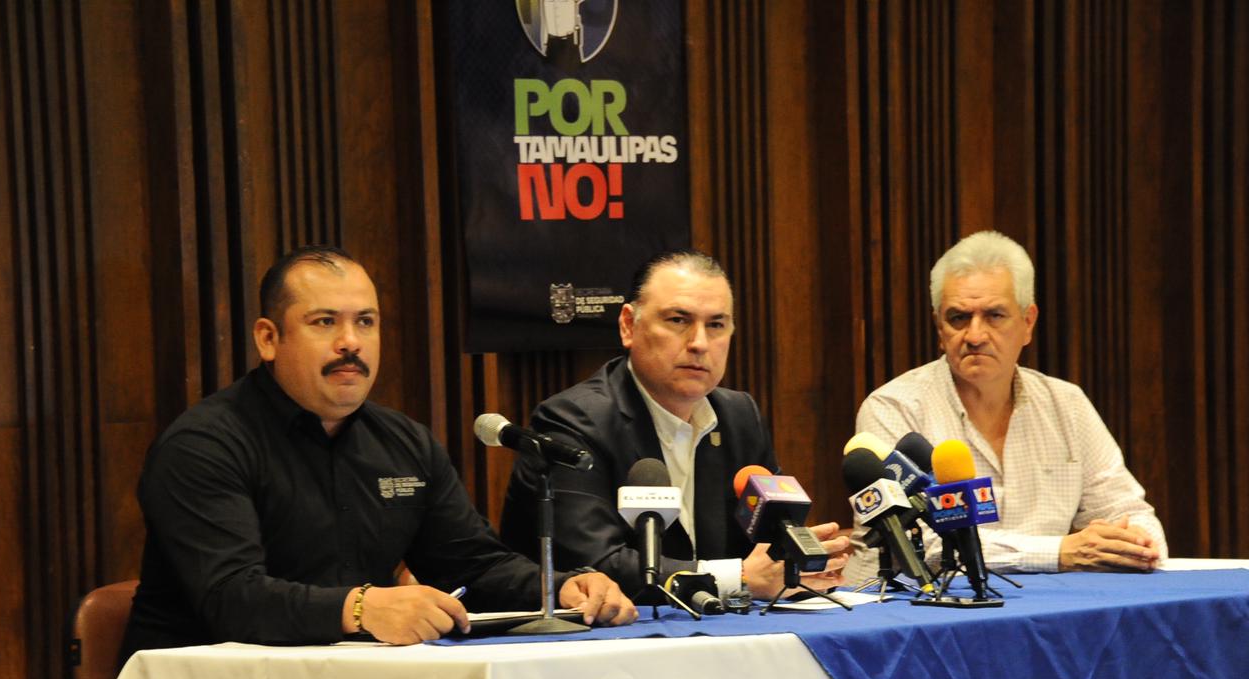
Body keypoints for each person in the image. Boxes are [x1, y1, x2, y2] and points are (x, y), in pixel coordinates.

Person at [123, 246, 634, 655]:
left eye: (366, 322)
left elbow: (473, 567)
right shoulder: (204, 446)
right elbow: (231, 598)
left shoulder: (404, 443)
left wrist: (560, 588)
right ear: (268, 338)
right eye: (325, 322)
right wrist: (361, 609)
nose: (351, 342)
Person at [500, 250, 847, 600]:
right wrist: (737, 578)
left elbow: (768, 544)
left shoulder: (740, 416)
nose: (699, 343)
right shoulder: (572, 421)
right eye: (678, 320)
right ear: (628, 325)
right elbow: (593, 565)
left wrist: (798, 563)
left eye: (716, 325)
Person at [852, 230, 1167, 577]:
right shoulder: (894, 408)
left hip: (1049, 603)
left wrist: (1138, 545)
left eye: (995, 315)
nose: (975, 336)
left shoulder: (1068, 405)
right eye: (958, 318)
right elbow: (918, 544)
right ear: (939, 328)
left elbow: (1129, 512)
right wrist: (1059, 552)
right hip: (916, 603)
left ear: (1028, 322)